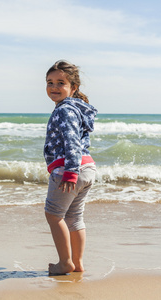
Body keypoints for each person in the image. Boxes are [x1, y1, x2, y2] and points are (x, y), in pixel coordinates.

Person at [43, 60, 98, 275]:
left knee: (54, 215)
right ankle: (78, 263)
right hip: (87, 166)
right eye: (50, 82)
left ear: (73, 88)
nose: (54, 87)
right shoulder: (75, 109)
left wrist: (70, 173)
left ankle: (65, 263)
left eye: (60, 83)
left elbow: (72, 142)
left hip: (69, 168)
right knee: (74, 217)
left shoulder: (64, 110)